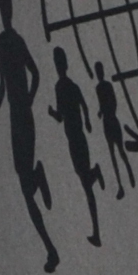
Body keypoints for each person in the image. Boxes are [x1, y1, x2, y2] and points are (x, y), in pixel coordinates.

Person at [0, 0, 60, 271]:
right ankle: (37, 177)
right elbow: (3, 78)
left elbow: (36, 73)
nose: (4, 11)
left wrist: (27, 99)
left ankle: (51, 250)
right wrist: (0, 96)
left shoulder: (15, 41)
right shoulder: (4, 41)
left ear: (9, 9)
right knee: (24, 182)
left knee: (25, 190)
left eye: (5, 6)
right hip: (16, 118)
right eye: (1, 6)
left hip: (22, 117)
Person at [51, 46, 109, 249]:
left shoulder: (60, 87)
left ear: (58, 65)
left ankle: (97, 232)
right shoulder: (72, 86)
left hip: (75, 140)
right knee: (84, 179)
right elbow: (83, 105)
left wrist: (51, 113)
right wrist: (87, 121)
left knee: (86, 186)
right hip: (78, 138)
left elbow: (60, 116)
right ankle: (94, 173)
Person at [93, 59, 135, 197]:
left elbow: (113, 101)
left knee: (119, 150)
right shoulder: (99, 88)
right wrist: (102, 111)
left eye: (99, 71)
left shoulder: (105, 86)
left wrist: (107, 111)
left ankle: (128, 170)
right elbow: (103, 103)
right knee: (113, 153)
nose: (99, 74)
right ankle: (120, 184)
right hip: (108, 121)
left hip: (110, 119)